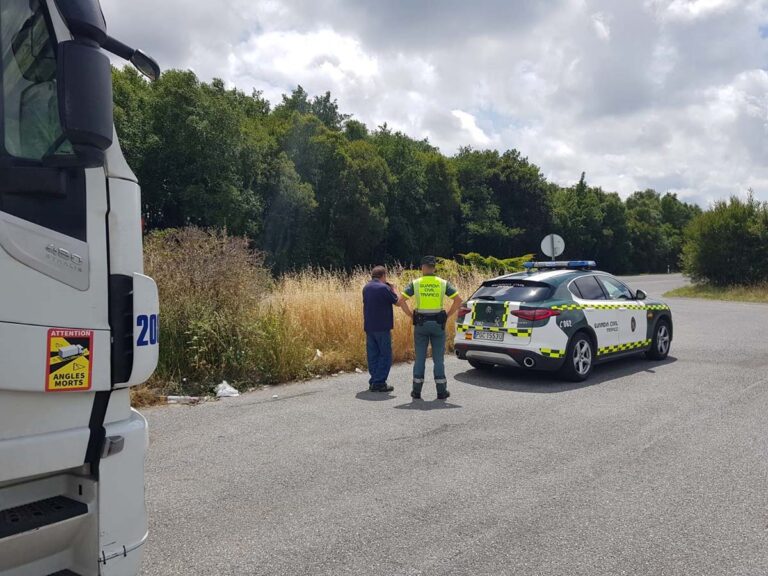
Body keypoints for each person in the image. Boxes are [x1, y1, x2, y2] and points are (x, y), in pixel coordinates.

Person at [401, 256, 463, 400]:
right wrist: (447, 314)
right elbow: (458, 300)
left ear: (422, 267)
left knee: (420, 358)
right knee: (438, 359)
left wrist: (411, 315)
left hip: (421, 324)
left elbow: (400, 301)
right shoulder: (442, 283)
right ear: (434, 268)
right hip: (438, 324)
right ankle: (441, 391)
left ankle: (416, 391)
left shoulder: (416, 283)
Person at [362, 266, 406, 392]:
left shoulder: (366, 288)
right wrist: (394, 288)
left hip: (370, 326)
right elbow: (397, 302)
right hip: (382, 326)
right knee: (385, 355)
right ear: (383, 276)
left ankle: (374, 380)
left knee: (373, 355)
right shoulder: (384, 288)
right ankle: (379, 382)